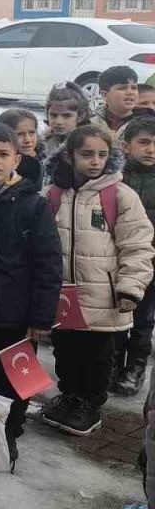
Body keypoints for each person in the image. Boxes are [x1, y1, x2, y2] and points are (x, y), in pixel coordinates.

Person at [41, 124, 154, 437]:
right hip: (64, 296)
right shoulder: (53, 195)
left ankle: (90, 404)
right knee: (66, 351)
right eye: (86, 154)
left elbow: (137, 244)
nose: (94, 161)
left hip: (105, 297)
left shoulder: (119, 195)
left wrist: (131, 287)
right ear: (70, 155)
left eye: (102, 154)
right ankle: (69, 396)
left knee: (98, 356)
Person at [0, 122, 62, 468]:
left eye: (3, 154)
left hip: (18, 316)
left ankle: (9, 432)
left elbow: (48, 262)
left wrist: (41, 317)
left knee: (18, 380)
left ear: (16, 158)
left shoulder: (33, 204)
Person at [114, 116, 155, 397]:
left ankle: (136, 368)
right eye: (144, 142)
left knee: (142, 319)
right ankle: (113, 365)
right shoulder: (116, 177)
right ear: (126, 147)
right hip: (119, 260)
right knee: (118, 316)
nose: (151, 149)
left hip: (151, 264)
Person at [43, 81, 91, 170]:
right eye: (53, 115)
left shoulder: (89, 144)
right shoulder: (41, 144)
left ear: (81, 116)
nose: (59, 122)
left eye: (67, 116)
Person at [99, 65, 155, 134]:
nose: (130, 92)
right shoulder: (91, 122)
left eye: (134, 88)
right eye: (123, 88)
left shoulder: (149, 124)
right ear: (104, 95)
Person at [0, 107, 44, 187]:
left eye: (31, 132)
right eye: (19, 134)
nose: (27, 140)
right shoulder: (4, 168)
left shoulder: (47, 159)